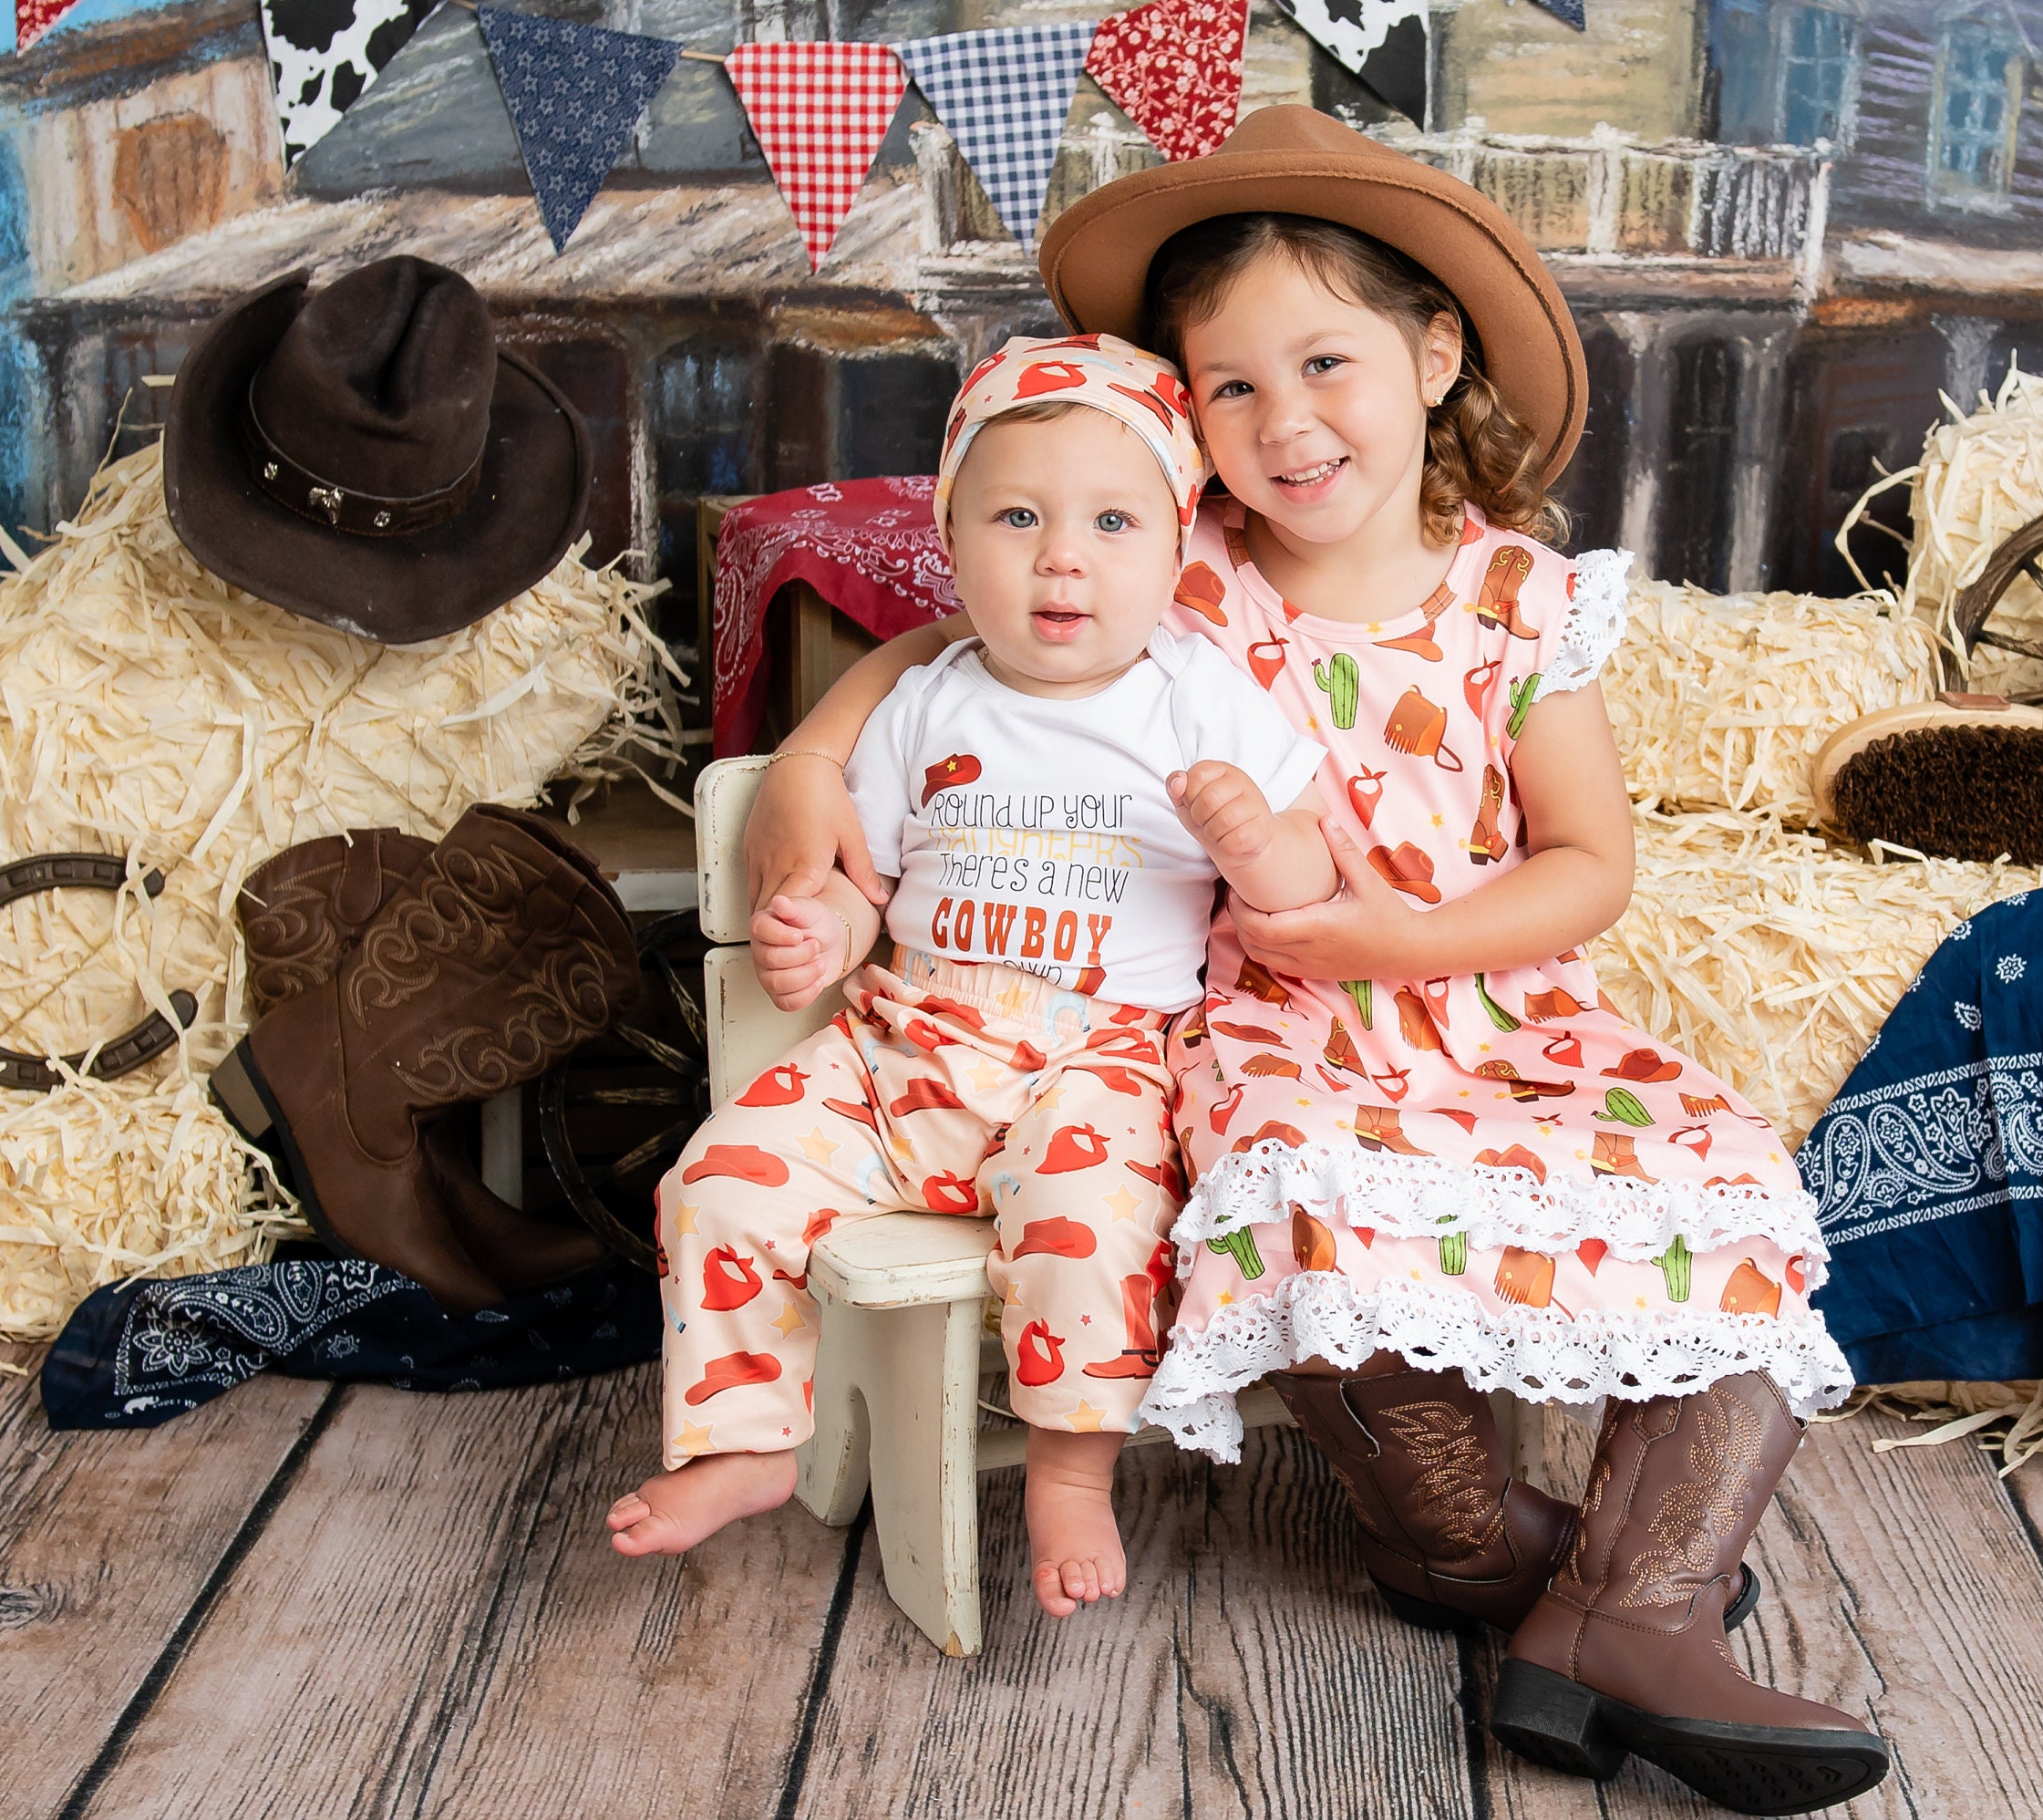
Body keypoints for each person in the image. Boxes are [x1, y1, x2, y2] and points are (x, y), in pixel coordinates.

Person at [737, 109, 1892, 1814]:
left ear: (1435, 357)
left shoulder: (1516, 601)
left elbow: (1589, 866)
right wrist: (818, 769)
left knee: (1722, 1180)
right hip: (1273, 1020)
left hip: (1497, 1009)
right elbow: (936, 653)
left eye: (1328, 361)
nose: (1288, 424)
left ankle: (1640, 1609)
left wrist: (1411, 937)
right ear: (1185, 423)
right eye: (1230, 388)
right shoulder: (1174, 574)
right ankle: (1496, 1569)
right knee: (1291, 1181)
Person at [609, 336, 1333, 1621]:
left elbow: (1300, 884)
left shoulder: (1196, 699)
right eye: (1017, 517)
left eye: (1113, 521)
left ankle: (1068, 1473)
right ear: (949, 543)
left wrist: (1251, 838)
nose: (1064, 555)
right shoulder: (926, 703)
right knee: (714, 1184)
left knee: (1089, 1229)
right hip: (905, 1044)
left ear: (1176, 555)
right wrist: (823, 931)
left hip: (1093, 1059)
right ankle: (747, 1445)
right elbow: (859, 874)